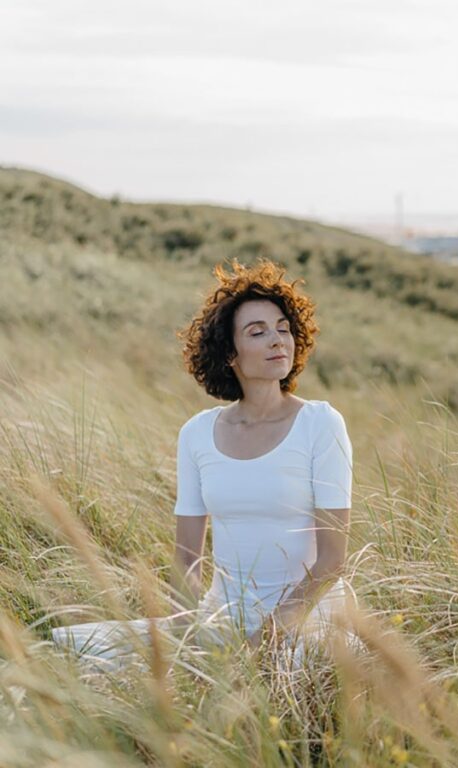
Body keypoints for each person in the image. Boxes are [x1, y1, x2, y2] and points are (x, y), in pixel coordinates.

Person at [49, 257, 355, 673]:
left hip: (303, 624)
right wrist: (185, 633)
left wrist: (263, 641)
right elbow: (186, 562)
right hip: (218, 619)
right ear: (229, 353)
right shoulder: (197, 434)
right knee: (73, 655)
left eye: (284, 328)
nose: (277, 340)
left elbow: (332, 561)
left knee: (274, 681)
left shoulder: (321, 424)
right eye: (257, 331)